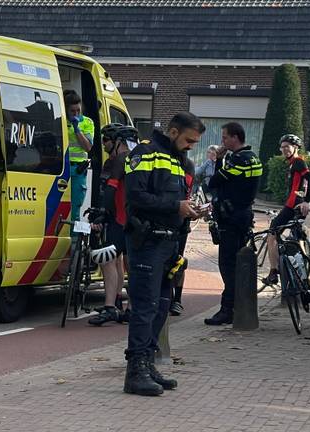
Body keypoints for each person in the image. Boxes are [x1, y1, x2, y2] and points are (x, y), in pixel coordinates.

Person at [123, 112, 204, 396]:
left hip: (169, 243)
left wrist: (189, 210)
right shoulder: (144, 154)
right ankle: (135, 371)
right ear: (172, 132)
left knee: (161, 305)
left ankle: (148, 362)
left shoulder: (178, 160)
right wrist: (175, 207)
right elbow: (136, 197)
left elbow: (173, 201)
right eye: (188, 140)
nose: (191, 146)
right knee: (144, 306)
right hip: (147, 242)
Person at [205, 122, 262, 325]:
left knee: (227, 264)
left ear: (235, 137)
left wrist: (219, 160)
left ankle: (227, 309)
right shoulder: (254, 158)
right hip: (245, 214)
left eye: (225, 138)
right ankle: (239, 306)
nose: (222, 141)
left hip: (231, 217)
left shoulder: (238, 160)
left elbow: (214, 182)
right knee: (239, 262)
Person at [89, 124, 136, 326]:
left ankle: (110, 307)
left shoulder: (119, 160)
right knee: (131, 264)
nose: (104, 144)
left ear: (119, 142)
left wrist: (103, 214)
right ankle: (131, 310)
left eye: (108, 139)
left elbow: (110, 190)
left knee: (108, 260)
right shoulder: (140, 159)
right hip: (137, 221)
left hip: (119, 219)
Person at [262, 134, 310, 285]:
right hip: (293, 206)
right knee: (296, 240)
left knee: (272, 233)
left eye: (288, 147)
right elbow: (301, 186)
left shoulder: (298, 162)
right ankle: (302, 276)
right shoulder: (293, 163)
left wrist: (307, 201)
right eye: (282, 147)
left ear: (295, 148)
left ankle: (273, 272)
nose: (284, 149)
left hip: (293, 206)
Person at [170, 156, 195, 316]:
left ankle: (177, 300)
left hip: (180, 221)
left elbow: (185, 191)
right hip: (165, 218)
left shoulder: (187, 164)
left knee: (178, 260)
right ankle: (167, 297)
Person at [66, 91, 95, 221]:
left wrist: (77, 129)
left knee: (75, 209)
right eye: (72, 111)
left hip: (78, 170)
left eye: (78, 110)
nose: (76, 114)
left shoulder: (87, 122)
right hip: (62, 169)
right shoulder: (60, 121)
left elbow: (88, 147)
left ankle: (74, 240)